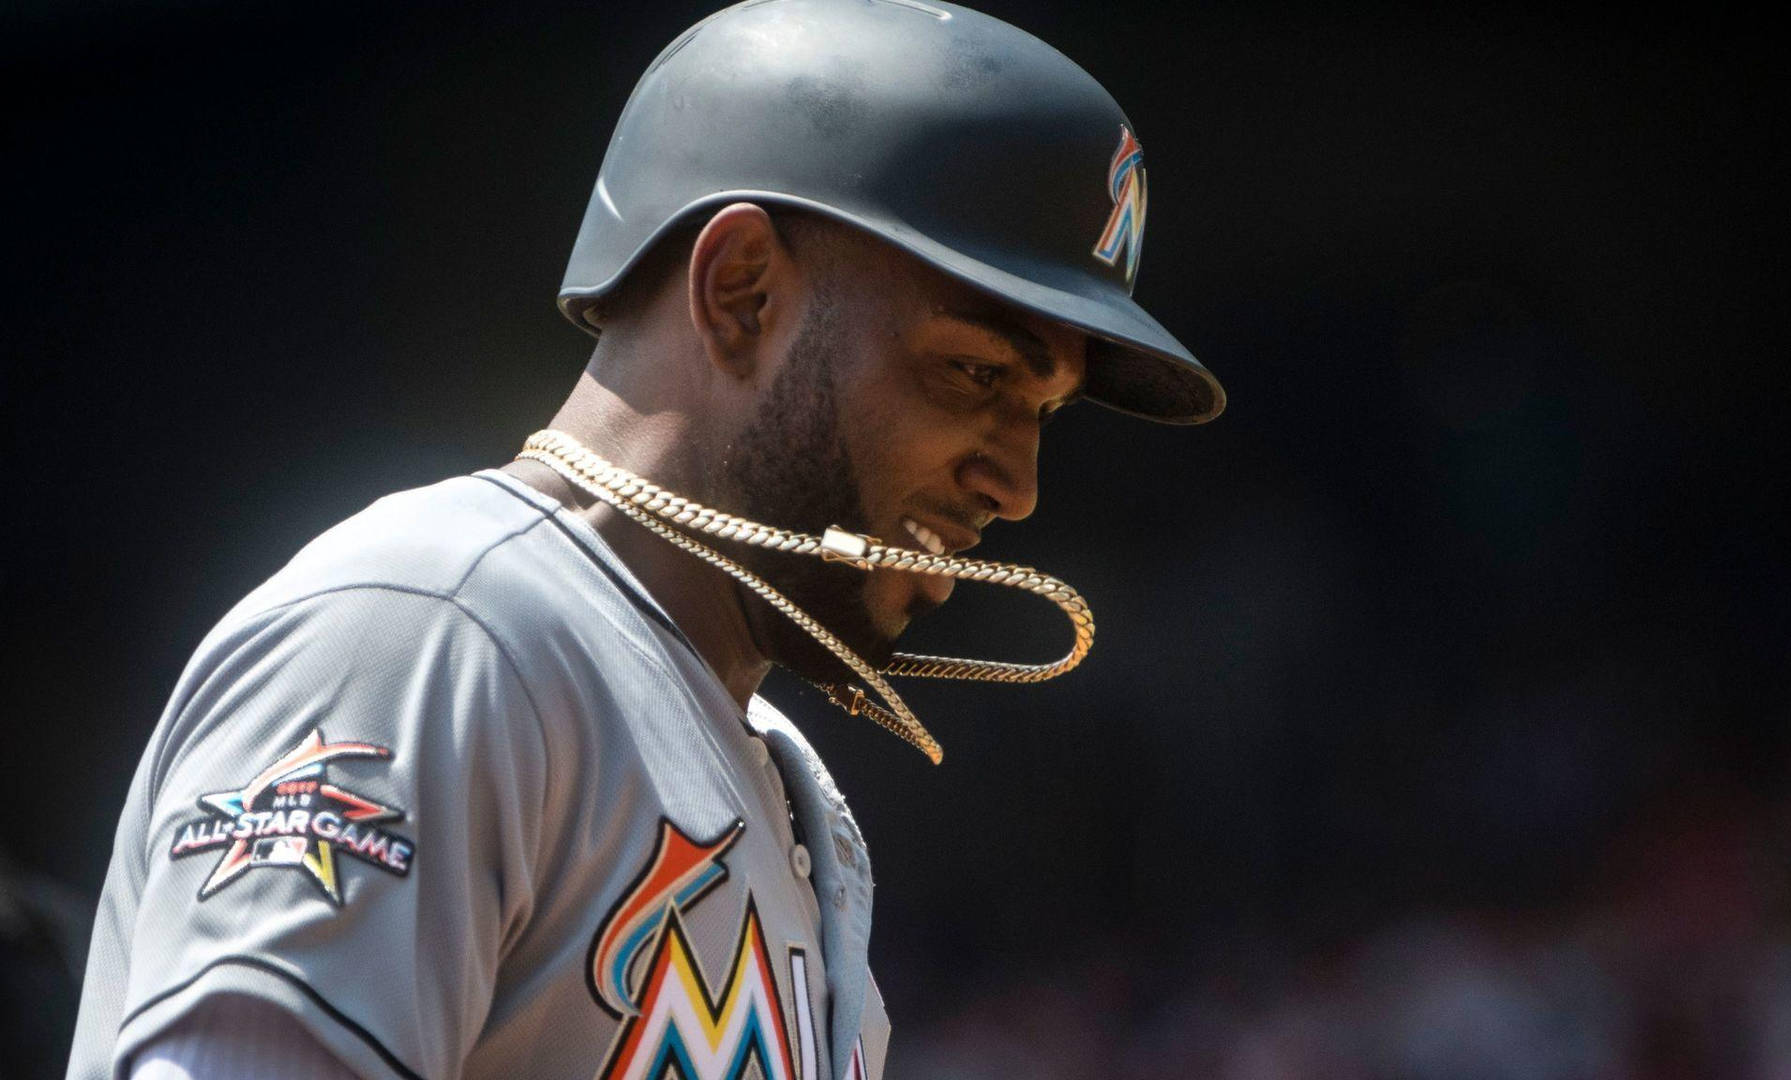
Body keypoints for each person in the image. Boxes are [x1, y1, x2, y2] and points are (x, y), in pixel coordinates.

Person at [66, 1, 1224, 1077]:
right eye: (974, 372)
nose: (1017, 485)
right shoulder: (435, 632)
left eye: (1042, 412)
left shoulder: (777, 781)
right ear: (740, 294)